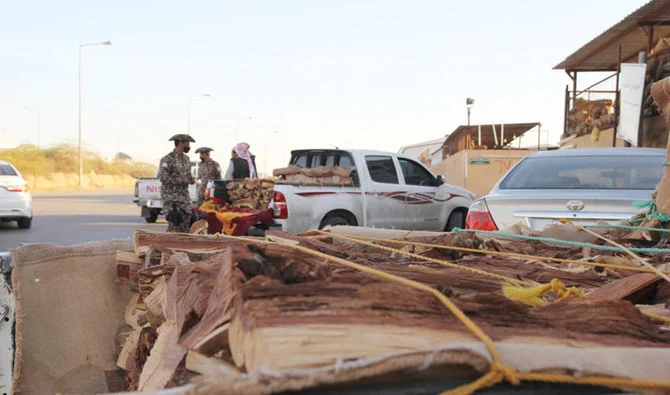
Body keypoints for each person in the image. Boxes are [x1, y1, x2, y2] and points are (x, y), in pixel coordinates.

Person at [159, 134, 195, 233]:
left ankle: (182, 244)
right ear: (180, 143)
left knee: (186, 221)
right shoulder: (167, 159)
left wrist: (191, 180)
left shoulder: (186, 159)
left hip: (184, 197)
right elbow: (163, 177)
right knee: (175, 222)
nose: (189, 146)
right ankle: (169, 244)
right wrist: (181, 181)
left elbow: (188, 174)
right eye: (187, 143)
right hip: (171, 197)